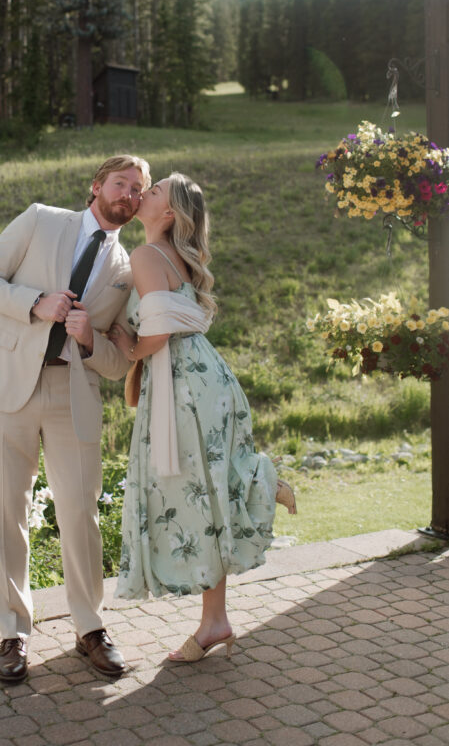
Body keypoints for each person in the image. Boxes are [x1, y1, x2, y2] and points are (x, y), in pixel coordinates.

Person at [0, 155, 151, 683]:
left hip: (74, 394)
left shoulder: (129, 271)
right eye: (121, 183)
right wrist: (35, 301)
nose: (129, 195)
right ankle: (12, 633)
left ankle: (90, 628)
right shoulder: (41, 219)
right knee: (6, 511)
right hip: (6, 387)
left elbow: (119, 363)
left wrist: (90, 340)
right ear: (96, 186)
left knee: (80, 513)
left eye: (139, 189)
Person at [108, 172, 296, 663]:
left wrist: (125, 346)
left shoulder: (149, 256)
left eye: (153, 192)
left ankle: (258, 482)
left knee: (196, 493)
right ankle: (216, 618)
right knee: (209, 491)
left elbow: (157, 335)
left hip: (182, 387)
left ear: (167, 213)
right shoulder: (177, 260)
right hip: (208, 378)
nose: (142, 194)